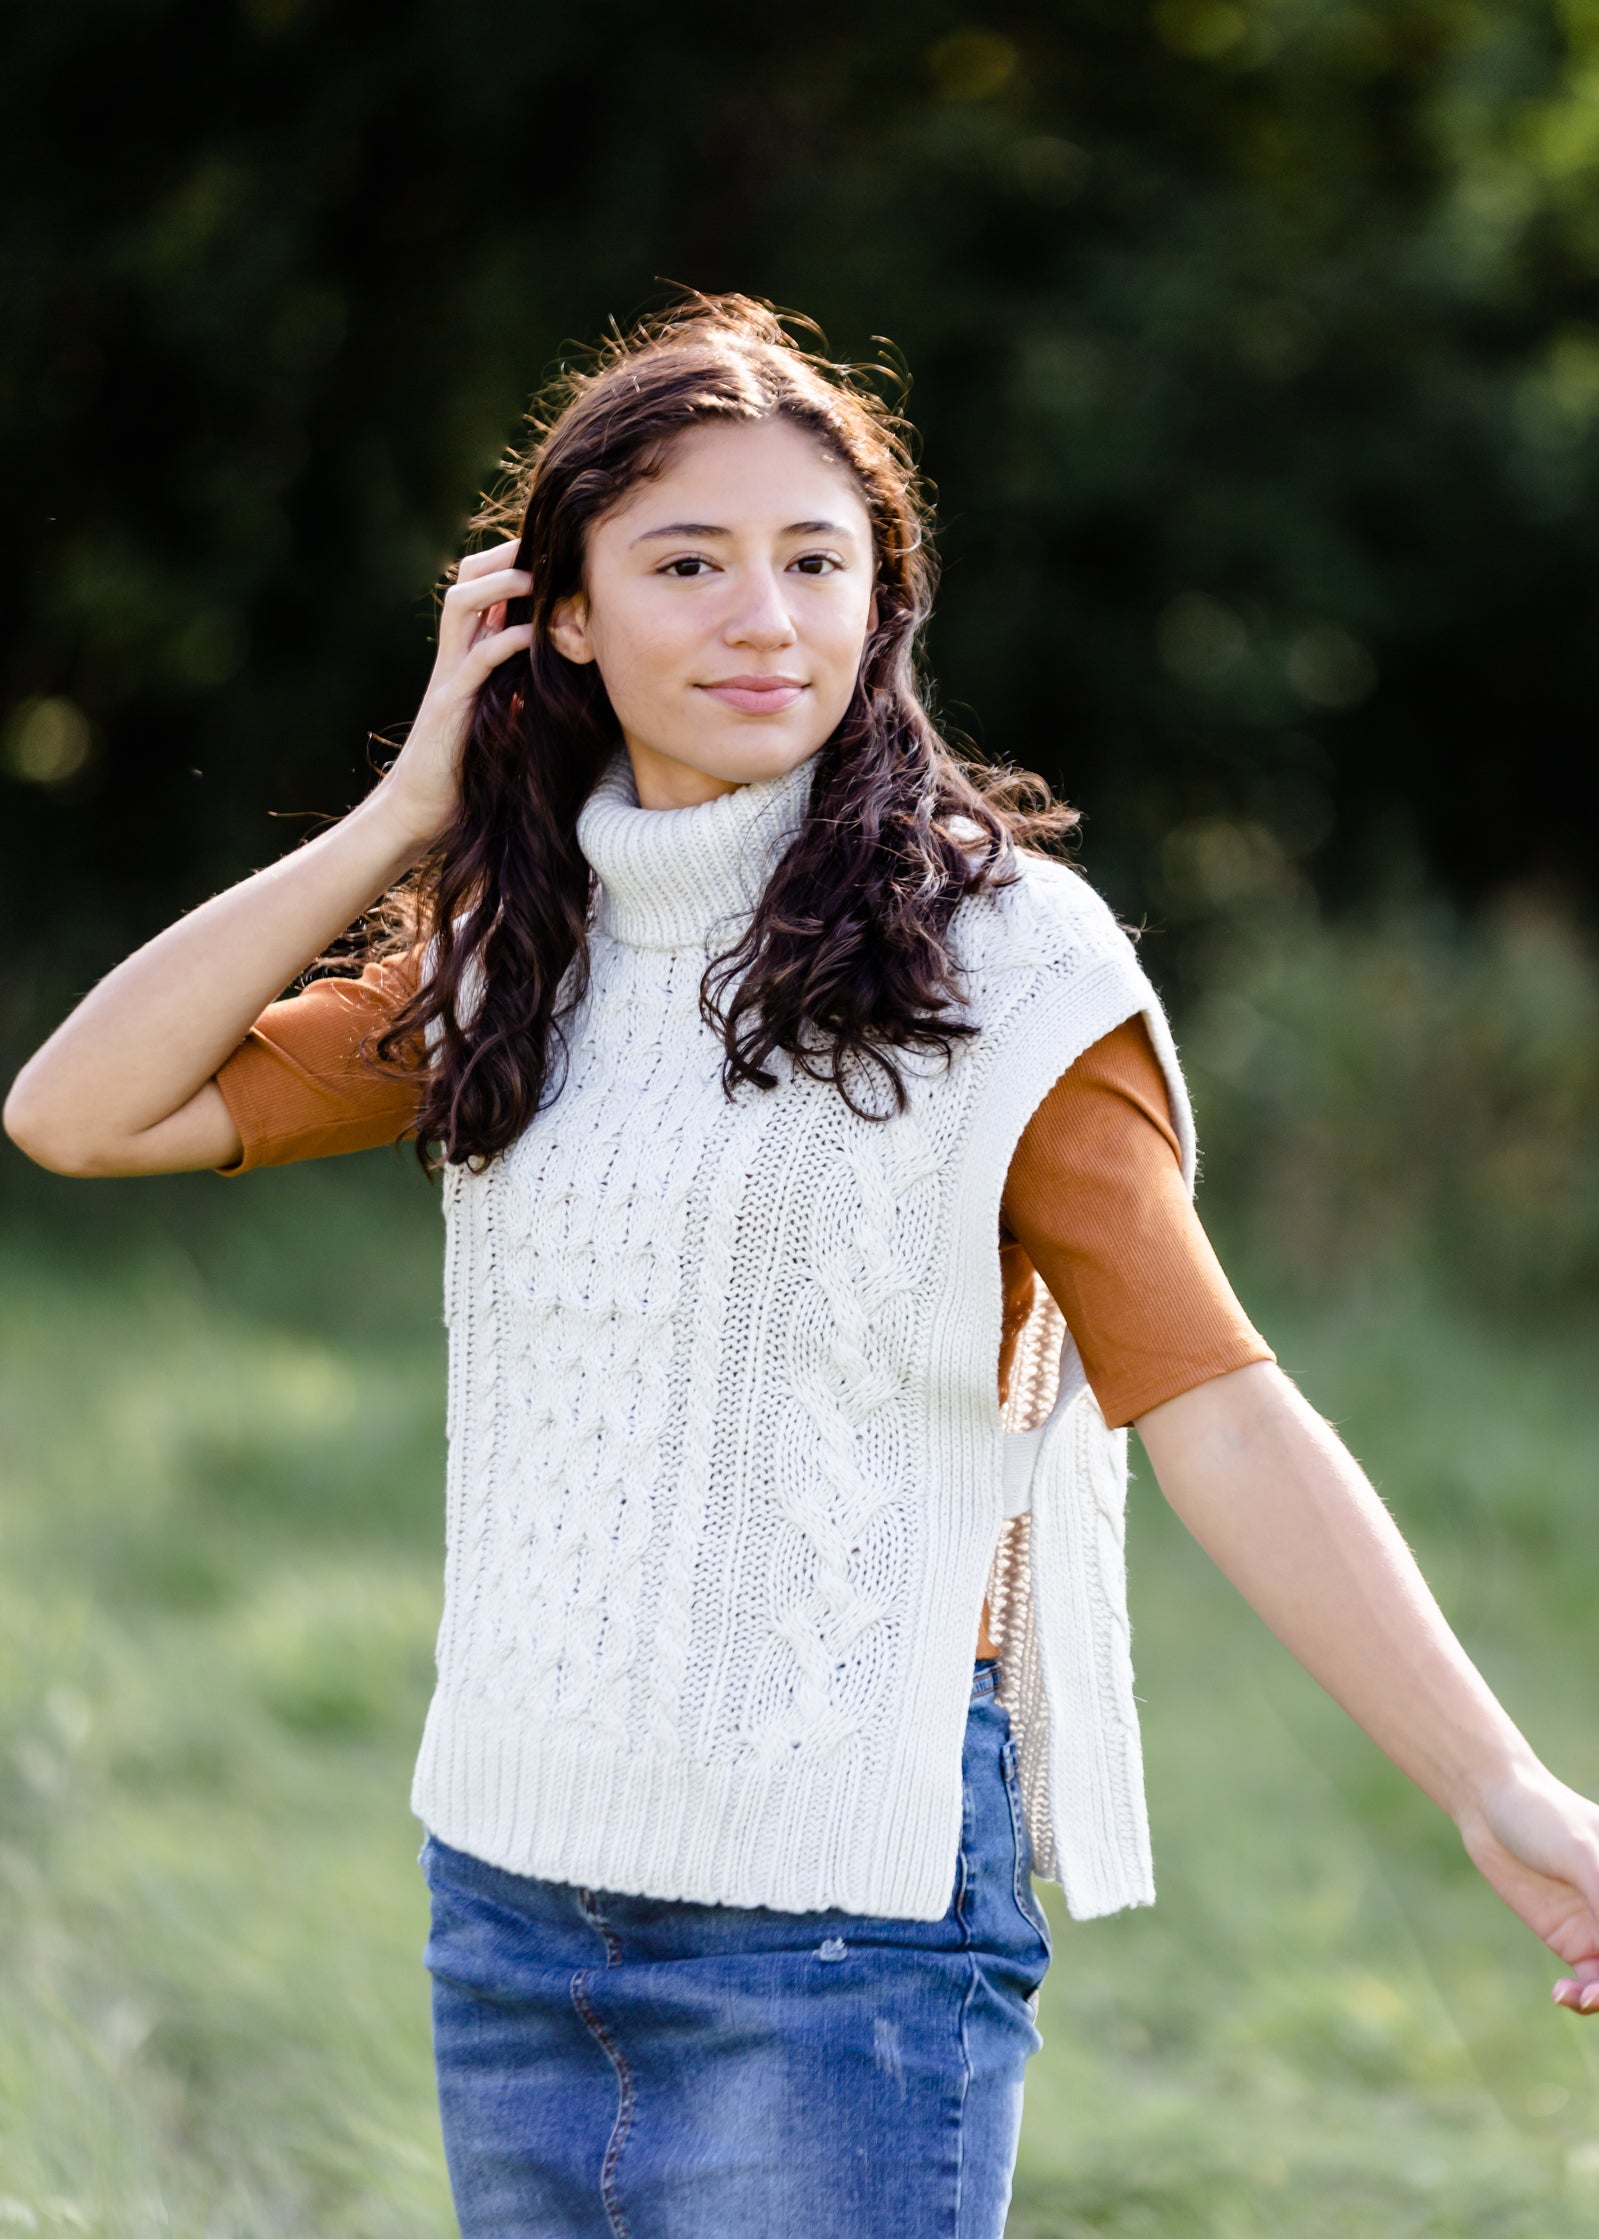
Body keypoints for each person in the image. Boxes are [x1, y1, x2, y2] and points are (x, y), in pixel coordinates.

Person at [6, 292, 1596, 2239]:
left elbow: (1220, 1408)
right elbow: (79, 1110)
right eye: (687, 562)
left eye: (814, 561)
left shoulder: (1004, 971)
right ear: (556, 613)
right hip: (512, 1897)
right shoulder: (518, 949)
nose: (764, 615)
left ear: (880, 601)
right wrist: (408, 806)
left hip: (842, 1930)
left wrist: (1494, 1784)